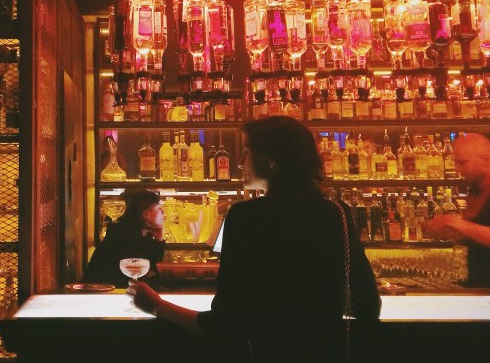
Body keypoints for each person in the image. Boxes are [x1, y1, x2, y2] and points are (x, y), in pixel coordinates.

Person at [127, 116, 381, 363]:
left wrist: (156, 305)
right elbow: (368, 306)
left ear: (271, 161)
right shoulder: (338, 213)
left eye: (247, 152)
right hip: (327, 354)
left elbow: (224, 325)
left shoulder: (246, 216)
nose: (239, 162)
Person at [426, 132, 490, 287]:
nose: (457, 168)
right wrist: (447, 230)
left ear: (486, 161)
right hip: (479, 287)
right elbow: (477, 235)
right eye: (456, 162)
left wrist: (458, 224)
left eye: (463, 162)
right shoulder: (475, 190)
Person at [84, 189, 165, 288]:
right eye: (158, 208)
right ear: (145, 214)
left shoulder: (142, 235)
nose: (163, 212)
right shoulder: (124, 236)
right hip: (103, 293)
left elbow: (152, 268)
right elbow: (141, 272)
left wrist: (159, 240)